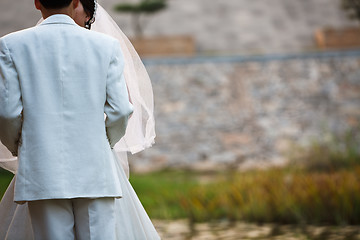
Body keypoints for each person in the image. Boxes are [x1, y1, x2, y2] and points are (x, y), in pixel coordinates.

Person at [0, 0, 159, 239]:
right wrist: (104, 142)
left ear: (36, 3)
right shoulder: (106, 45)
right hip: (96, 169)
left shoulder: (10, 45)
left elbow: (7, 113)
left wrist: (20, 146)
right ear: (75, 2)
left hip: (42, 170)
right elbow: (120, 110)